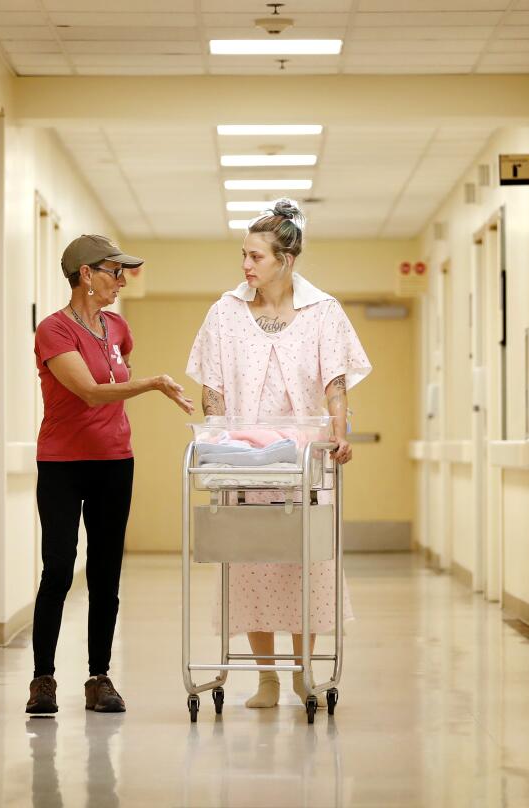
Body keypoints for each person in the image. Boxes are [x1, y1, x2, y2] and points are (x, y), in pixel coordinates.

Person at [186, 199, 372, 708]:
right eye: (243, 255)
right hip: (244, 459)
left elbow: (335, 381)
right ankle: (266, 678)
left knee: (303, 565)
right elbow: (213, 386)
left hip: (302, 459)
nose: (246, 266)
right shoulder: (225, 312)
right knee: (249, 564)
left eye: (255, 257)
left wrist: (339, 433)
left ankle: (302, 671)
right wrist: (219, 440)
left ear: (286, 260)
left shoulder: (323, 312)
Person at [27, 234, 195, 715]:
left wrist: (138, 384)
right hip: (62, 463)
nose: (121, 280)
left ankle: (99, 678)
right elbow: (91, 392)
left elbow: (115, 384)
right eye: (113, 271)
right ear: (85, 274)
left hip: (115, 461)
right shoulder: (54, 330)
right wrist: (156, 383)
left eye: (123, 273)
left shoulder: (118, 328)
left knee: (106, 572)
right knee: (59, 568)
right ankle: (43, 680)